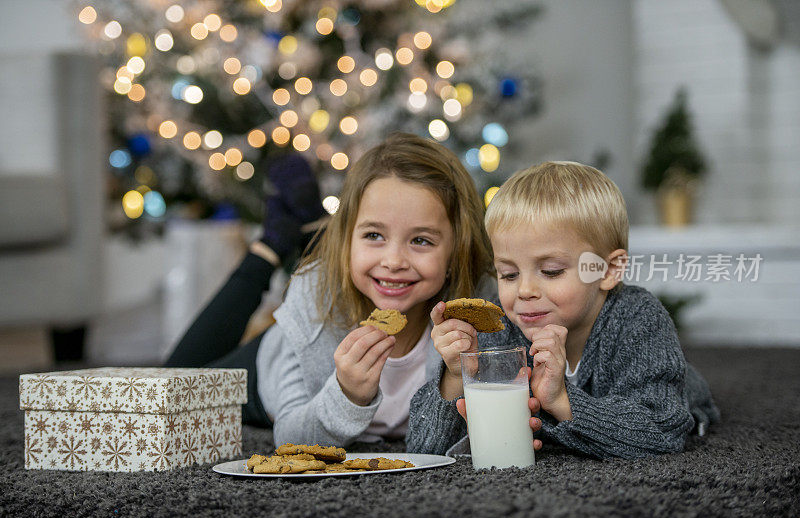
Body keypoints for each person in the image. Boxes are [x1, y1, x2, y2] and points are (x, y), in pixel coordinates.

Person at [166, 132, 495, 448]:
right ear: (349, 237)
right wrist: (347, 393)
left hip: (350, 271)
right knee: (165, 392)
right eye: (373, 235)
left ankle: (314, 229)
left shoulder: (474, 318)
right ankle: (271, 246)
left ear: (457, 250)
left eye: (421, 240)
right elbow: (291, 435)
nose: (394, 261)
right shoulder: (316, 304)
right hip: (268, 370)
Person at [406, 161, 720, 459]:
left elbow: (662, 432)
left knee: (684, 391)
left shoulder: (639, 319)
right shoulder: (499, 328)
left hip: (665, 385)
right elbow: (422, 449)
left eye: (552, 271)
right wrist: (458, 375)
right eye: (509, 274)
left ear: (608, 270)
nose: (525, 291)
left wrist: (561, 402)